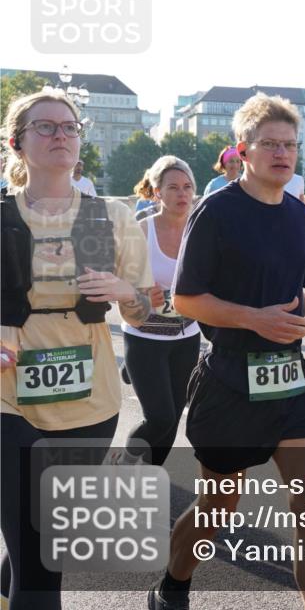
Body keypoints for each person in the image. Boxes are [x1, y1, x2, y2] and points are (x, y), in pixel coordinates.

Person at [148, 93, 305, 610]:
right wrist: (254, 318)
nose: (282, 153)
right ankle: (174, 583)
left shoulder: (301, 217)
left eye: (291, 145)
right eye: (270, 144)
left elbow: (297, 291)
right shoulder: (216, 210)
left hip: (291, 380)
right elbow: (185, 298)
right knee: (217, 507)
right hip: (231, 378)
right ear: (244, 150)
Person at [1, 90, 153, 610]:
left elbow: (144, 315)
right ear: (18, 143)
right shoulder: (1, 216)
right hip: (8, 400)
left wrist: (127, 293)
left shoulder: (110, 216)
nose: (60, 135)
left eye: (69, 127)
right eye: (45, 127)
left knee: (44, 547)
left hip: (90, 405)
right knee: (40, 567)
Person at [117, 156, 201, 466]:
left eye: (188, 187)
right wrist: (139, 294)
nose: (182, 194)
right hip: (144, 337)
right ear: (157, 193)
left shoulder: (201, 230)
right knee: (160, 416)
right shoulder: (140, 231)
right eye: (173, 187)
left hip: (186, 336)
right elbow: (121, 287)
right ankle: (125, 461)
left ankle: (151, 474)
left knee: (173, 417)